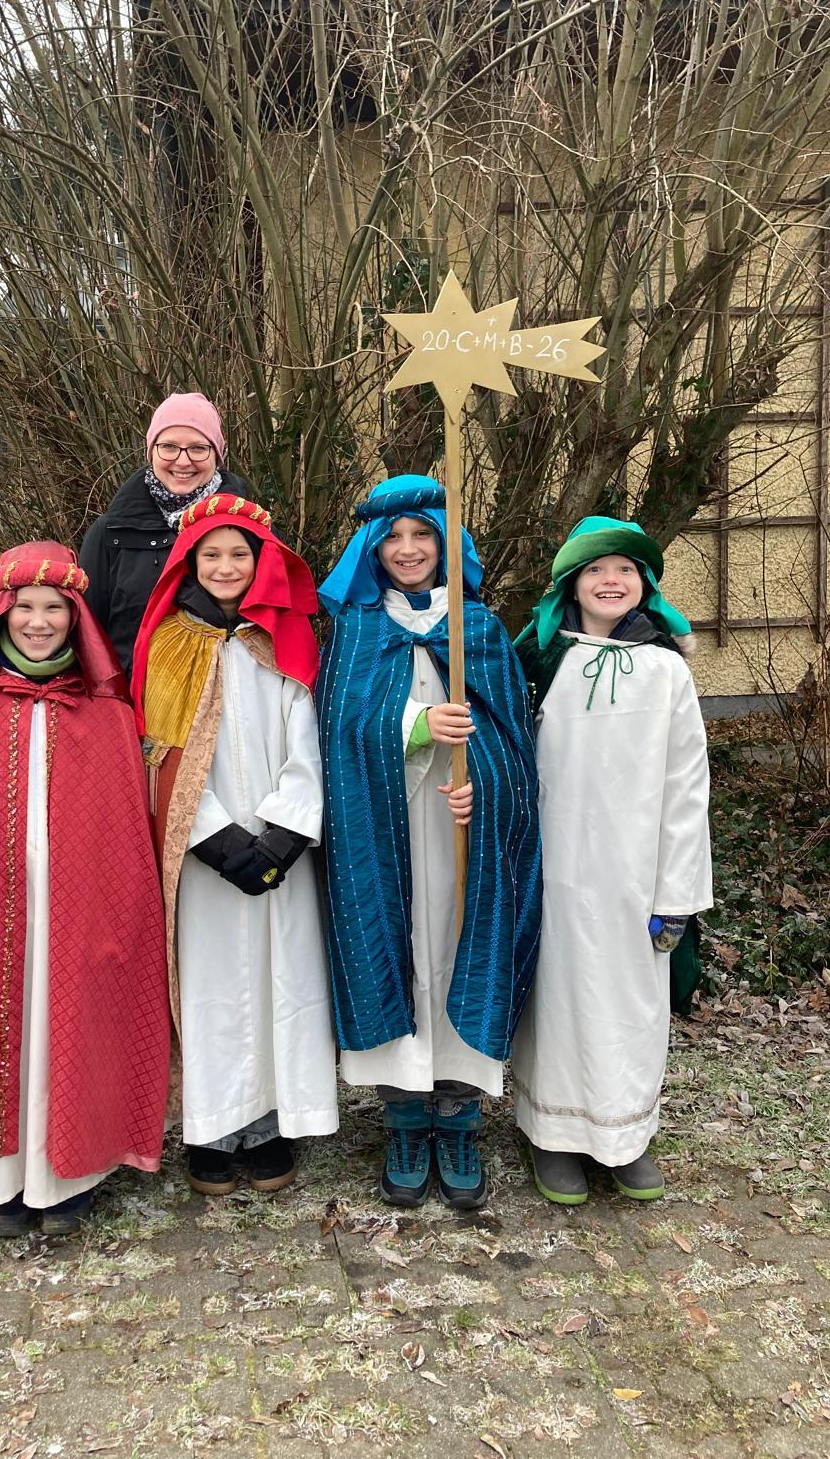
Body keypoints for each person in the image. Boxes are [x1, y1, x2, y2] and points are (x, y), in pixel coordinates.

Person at [0, 543, 171, 1237]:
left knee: (72, 1020)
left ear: (75, 618)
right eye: (25, 607)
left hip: (76, 915)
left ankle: (68, 1175)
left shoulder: (107, 713)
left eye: (55, 608)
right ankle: (1, 1180)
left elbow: (126, 835)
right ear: (2, 614)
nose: (39, 621)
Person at [317, 476, 543, 1210]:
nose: (408, 549)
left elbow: (515, 746)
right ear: (371, 548)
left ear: (447, 545)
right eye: (393, 537)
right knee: (397, 950)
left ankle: (459, 1116)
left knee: (455, 949)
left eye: (423, 535)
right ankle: (406, 1119)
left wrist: (488, 787)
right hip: (382, 831)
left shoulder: (478, 629)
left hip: (460, 833)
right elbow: (338, 738)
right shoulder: (355, 632)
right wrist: (415, 728)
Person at [132, 494, 338, 1194]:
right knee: (213, 982)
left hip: (283, 852)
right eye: (211, 554)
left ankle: (274, 1119)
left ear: (260, 562)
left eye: (239, 554)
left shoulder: (283, 638)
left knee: (286, 977)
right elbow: (162, 754)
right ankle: (215, 1125)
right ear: (189, 562)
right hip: (204, 856)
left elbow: (310, 735)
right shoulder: (168, 643)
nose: (225, 566)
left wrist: (283, 834)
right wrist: (217, 840)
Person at [512, 516, 713, 1205]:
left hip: (636, 876)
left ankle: (626, 1134)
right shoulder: (540, 664)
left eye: (625, 570)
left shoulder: (666, 670)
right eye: (596, 570)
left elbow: (686, 787)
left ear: (644, 584)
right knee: (558, 997)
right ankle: (553, 1134)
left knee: (631, 1004)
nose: (610, 580)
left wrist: (676, 893)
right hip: (557, 869)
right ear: (571, 583)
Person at [80, 392, 248, 671]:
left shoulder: (249, 529)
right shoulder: (109, 533)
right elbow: (88, 636)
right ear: (151, 451)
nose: (182, 461)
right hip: (133, 694)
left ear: (217, 455)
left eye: (198, 448)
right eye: (169, 447)